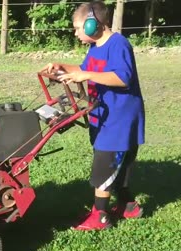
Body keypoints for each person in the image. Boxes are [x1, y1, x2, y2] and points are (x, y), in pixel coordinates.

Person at [40, 0, 145, 230]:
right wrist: (63, 67)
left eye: (78, 28)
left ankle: (100, 216)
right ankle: (128, 206)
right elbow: (84, 70)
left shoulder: (118, 45)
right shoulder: (95, 48)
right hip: (103, 115)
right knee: (116, 165)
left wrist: (85, 75)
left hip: (118, 119)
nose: (76, 33)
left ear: (92, 25)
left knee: (104, 166)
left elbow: (122, 77)